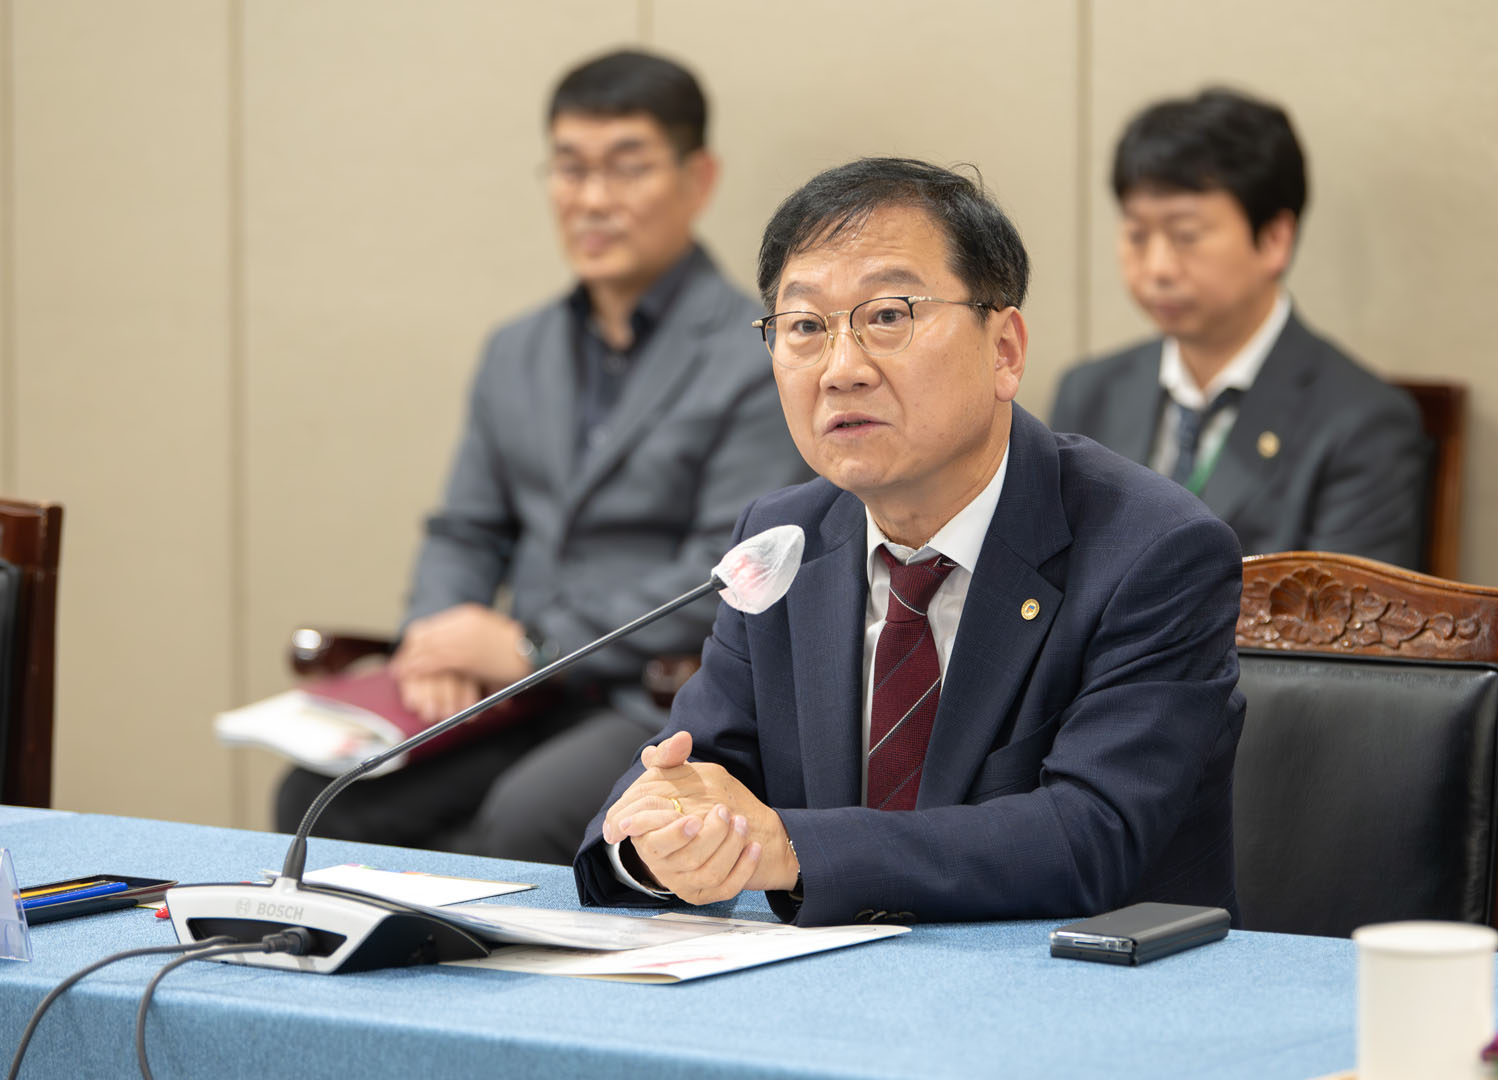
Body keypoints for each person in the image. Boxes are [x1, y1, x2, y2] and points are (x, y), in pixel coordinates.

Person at [573, 158, 1245, 927]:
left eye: (888, 316)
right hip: (832, 981)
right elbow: (695, 767)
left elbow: (1090, 836)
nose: (841, 369)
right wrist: (659, 838)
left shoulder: (1154, 551)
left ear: (1004, 350)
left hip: (1079, 982)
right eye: (805, 327)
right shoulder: (784, 542)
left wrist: (791, 846)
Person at [274, 49, 807, 862]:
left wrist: (536, 646)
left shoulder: (754, 353)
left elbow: (725, 569)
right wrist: (435, 643)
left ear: (698, 179)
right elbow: (466, 529)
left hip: (649, 694)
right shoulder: (516, 351)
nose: (592, 199)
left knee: (527, 817)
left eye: (627, 167)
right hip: (516, 696)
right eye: (571, 168)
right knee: (319, 793)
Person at [1050, 88, 1428, 568]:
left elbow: (1343, 615)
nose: (1157, 267)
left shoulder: (1362, 424)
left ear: (1273, 240)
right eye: (1137, 235)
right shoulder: (1089, 393)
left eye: (1186, 235)